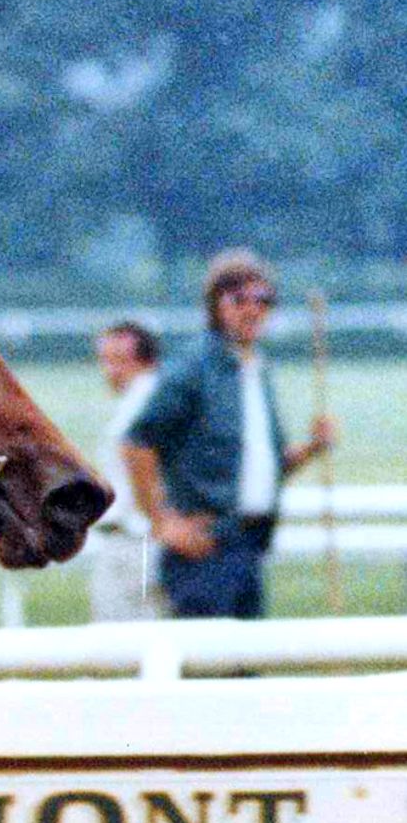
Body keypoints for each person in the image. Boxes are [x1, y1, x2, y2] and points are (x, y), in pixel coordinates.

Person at [120, 252, 338, 620]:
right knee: (210, 672)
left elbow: (266, 469)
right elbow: (136, 442)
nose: (252, 309)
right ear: (215, 305)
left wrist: (313, 448)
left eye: (263, 300)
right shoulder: (193, 368)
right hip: (203, 550)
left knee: (245, 672)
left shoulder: (257, 369)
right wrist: (162, 523)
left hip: (250, 546)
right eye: (239, 300)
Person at [88, 320, 161, 622]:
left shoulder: (144, 404)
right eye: (105, 361)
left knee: (114, 651)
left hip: (135, 542)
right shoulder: (140, 400)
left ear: (147, 361)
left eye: (119, 361)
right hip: (133, 539)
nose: (110, 371)